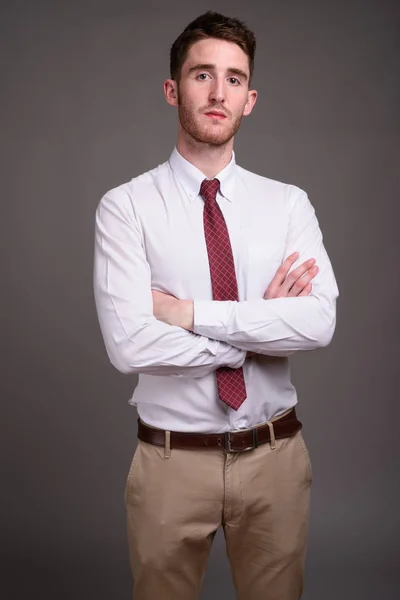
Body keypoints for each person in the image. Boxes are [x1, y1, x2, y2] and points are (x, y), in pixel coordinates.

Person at [93, 10, 338, 600]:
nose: (217, 91)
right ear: (174, 89)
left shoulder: (287, 206)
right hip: (171, 464)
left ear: (249, 99)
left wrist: (188, 313)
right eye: (203, 75)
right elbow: (130, 345)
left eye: (233, 78)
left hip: (276, 459)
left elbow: (319, 322)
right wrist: (261, 323)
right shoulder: (126, 208)